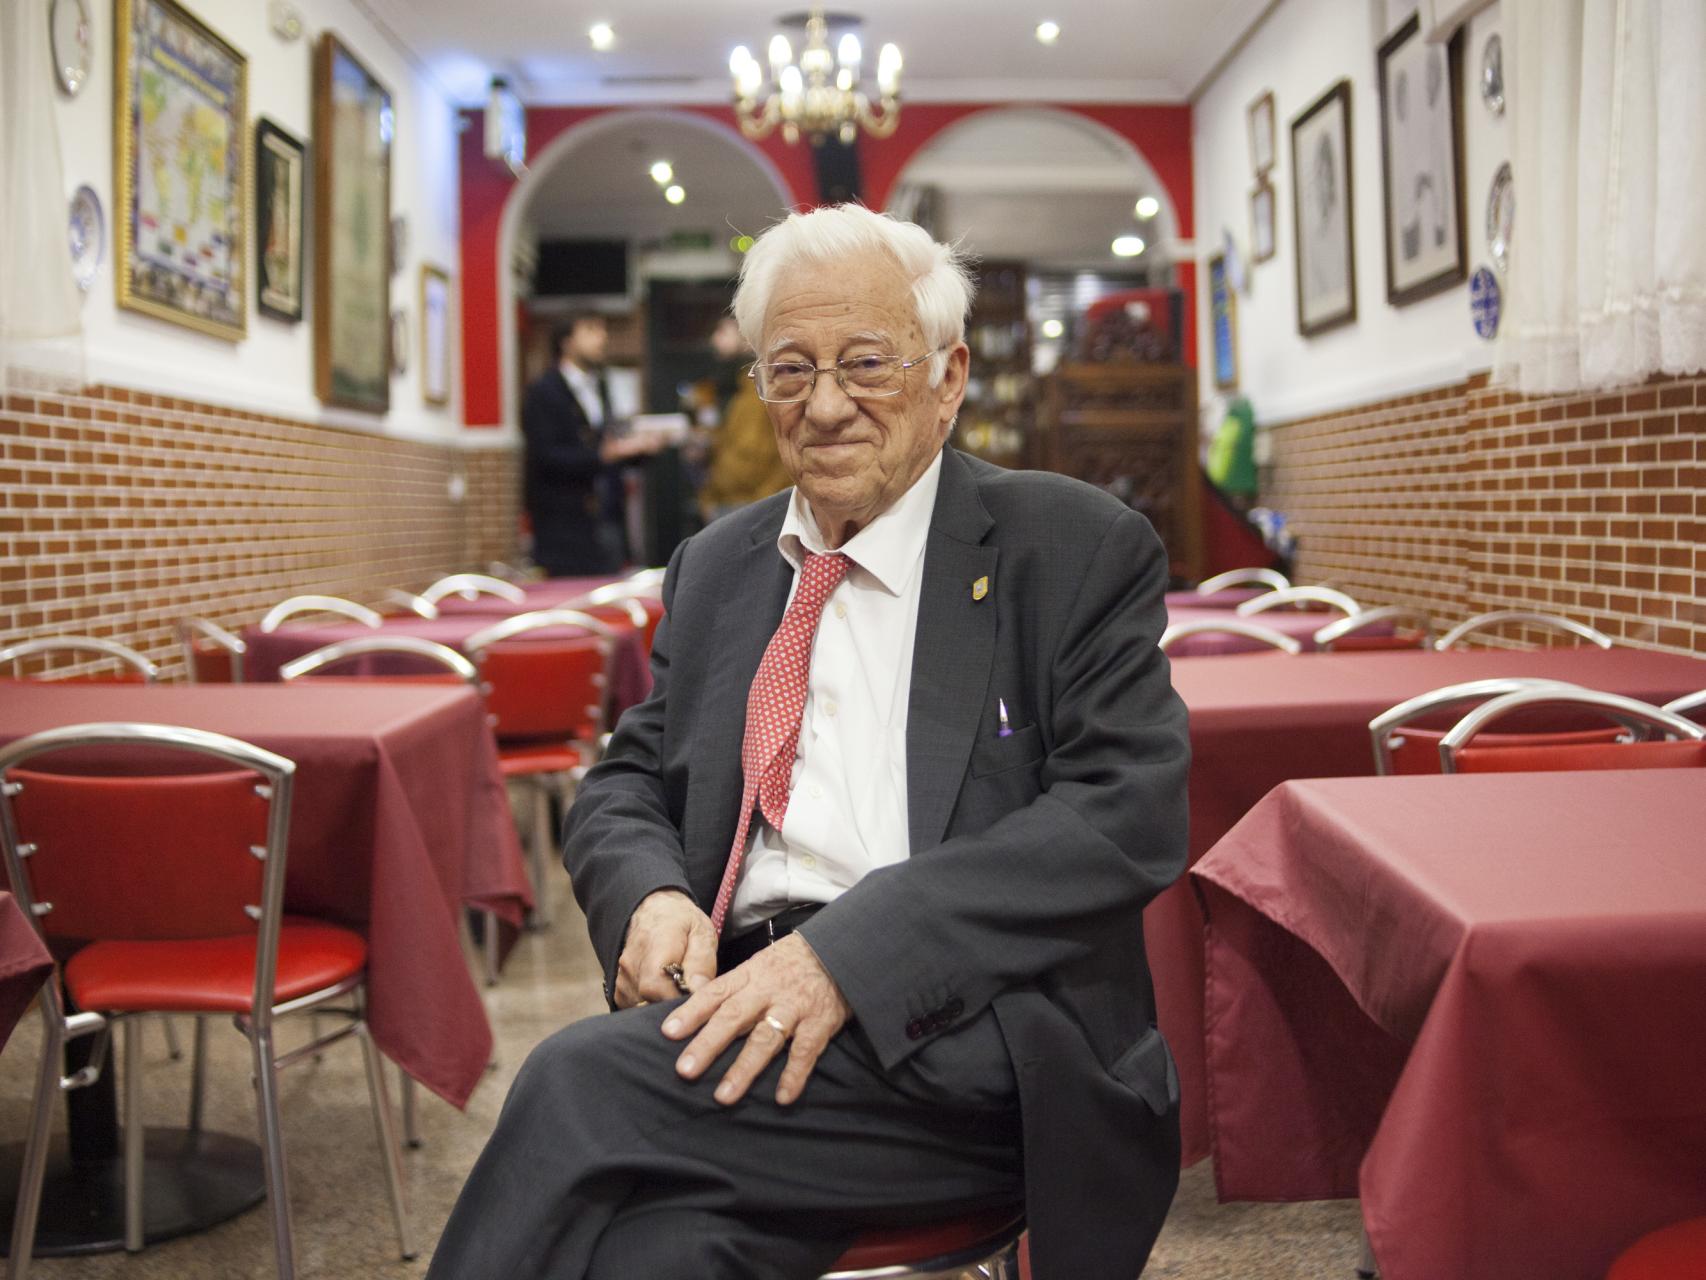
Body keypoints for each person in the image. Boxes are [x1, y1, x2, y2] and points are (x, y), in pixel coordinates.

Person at [429, 204, 1189, 1280]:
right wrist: (647, 893)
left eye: (865, 363)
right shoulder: (718, 566)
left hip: (974, 1042)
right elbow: (628, 775)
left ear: (949, 375)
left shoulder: (1067, 547)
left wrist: (849, 955)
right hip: (748, 1017)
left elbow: (1123, 817)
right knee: (654, 1254)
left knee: (571, 1082)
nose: (824, 404)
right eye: (788, 370)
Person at [520, 313, 660, 575]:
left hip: (606, 521)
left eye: (603, 330)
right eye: (591, 329)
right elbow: (546, 456)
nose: (602, 337)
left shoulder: (601, 387)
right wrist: (603, 455)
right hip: (565, 528)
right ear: (567, 341)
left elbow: (607, 446)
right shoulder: (544, 391)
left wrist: (639, 449)